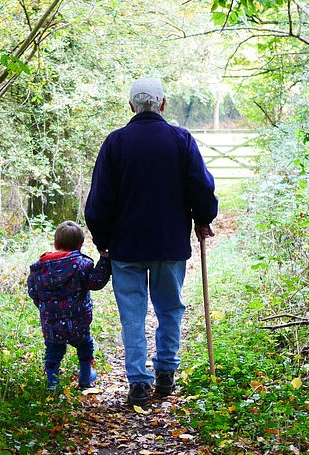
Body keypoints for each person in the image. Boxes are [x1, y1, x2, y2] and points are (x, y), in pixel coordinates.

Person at [84, 77, 218, 406]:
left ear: (131, 106)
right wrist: (203, 219)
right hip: (169, 244)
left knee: (132, 315)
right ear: (163, 104)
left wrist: (102, 241)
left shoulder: (115, 143)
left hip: (125, 247)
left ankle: (139, 384)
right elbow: (201, 187)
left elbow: (99, 200)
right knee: (170, 309)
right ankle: (166, 374)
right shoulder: (181, 139)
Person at [27, 221, 111, 390]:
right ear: (80, 246)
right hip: (78, 322)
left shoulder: (39, 268)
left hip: (51, 323)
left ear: (55, 244)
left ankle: (53, 384)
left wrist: (45, 309)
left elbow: (33, 291)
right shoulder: (82, 265)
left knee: (53, 353)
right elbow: (96, 282)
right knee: (85, 347)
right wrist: (105, 260)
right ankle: (86, 378)